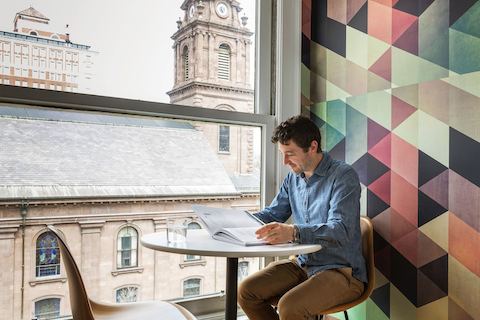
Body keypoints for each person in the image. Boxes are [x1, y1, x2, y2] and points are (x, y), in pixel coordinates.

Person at [238, 115, 367, 320]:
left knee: (290, 307)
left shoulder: (343, 176)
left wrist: (293, 232)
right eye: (282, 154)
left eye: (290, 154)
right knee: (247, 291)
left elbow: (341, 229)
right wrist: (236, 221)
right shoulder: (293, 178)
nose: (285, 162)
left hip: (341, 271)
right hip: (302, 264)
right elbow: (273, 213)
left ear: (312, 146)